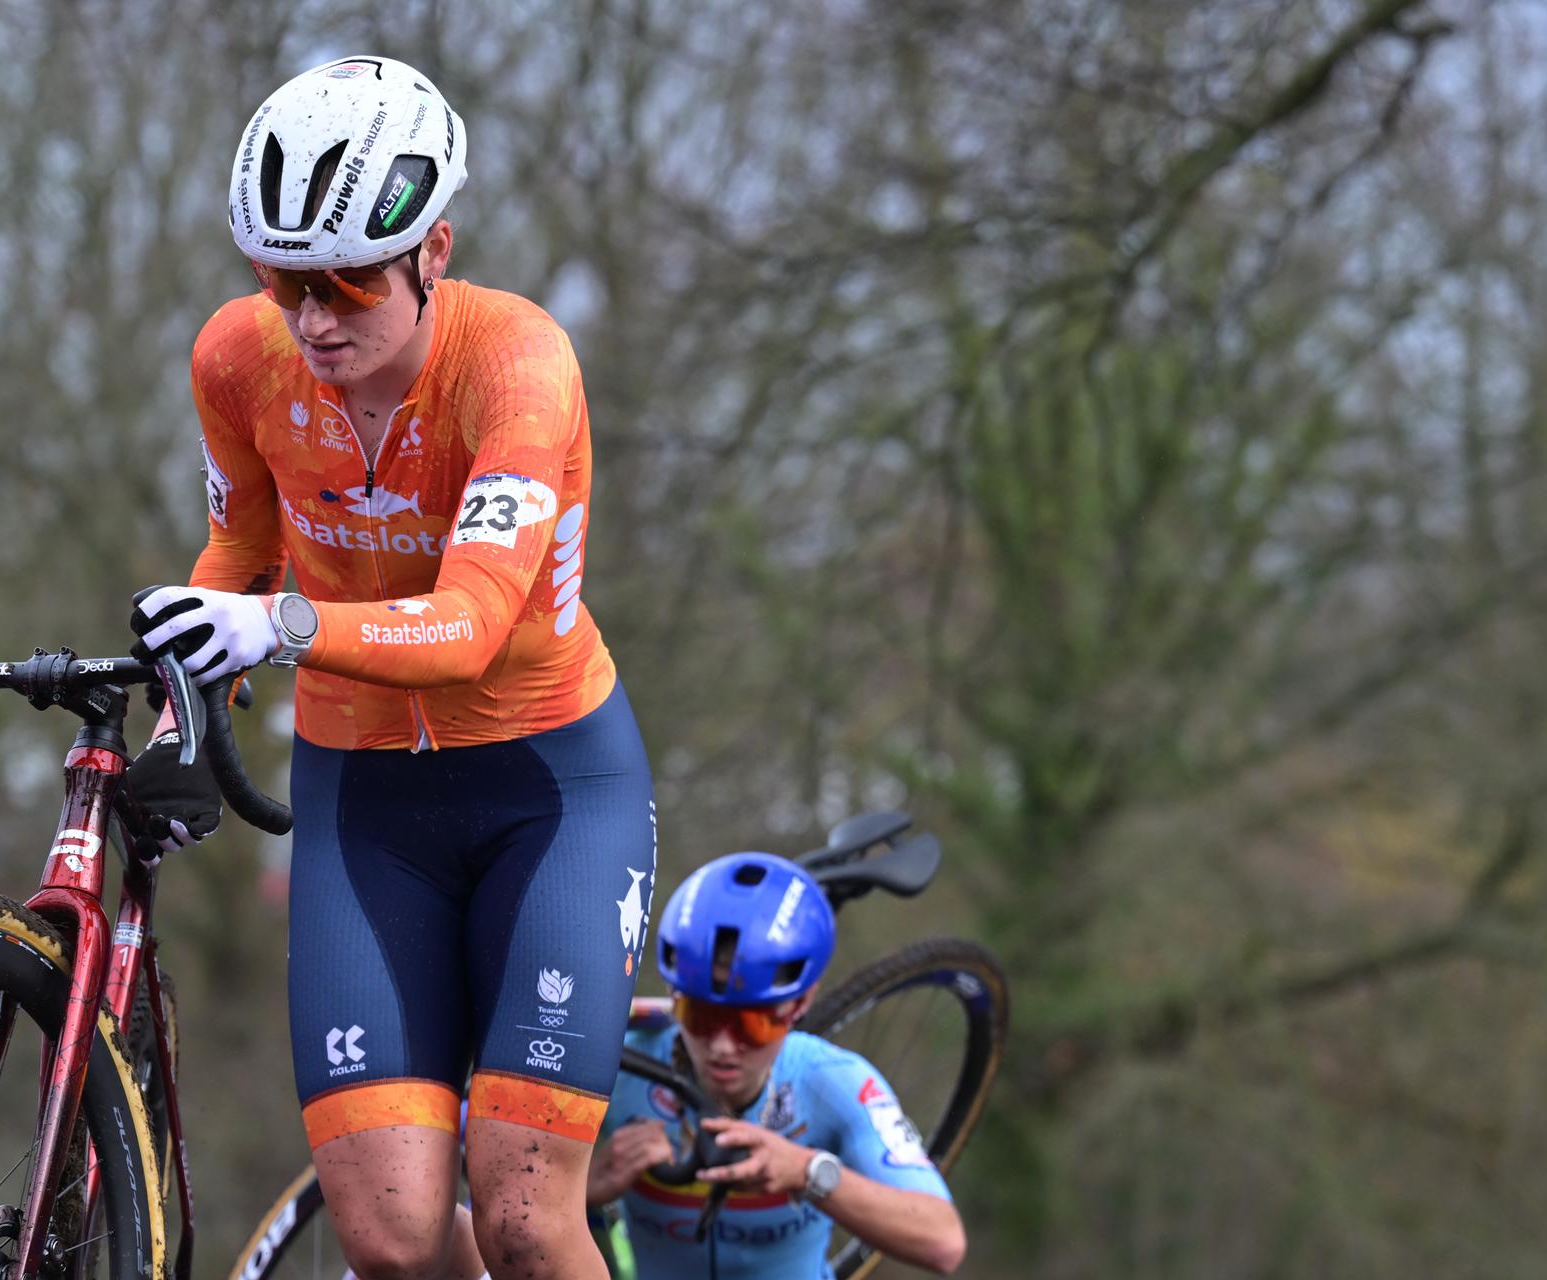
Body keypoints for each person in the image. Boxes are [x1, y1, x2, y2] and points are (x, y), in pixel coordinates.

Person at [122, 53, 657, 1280]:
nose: (314, 319)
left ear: (435, 250)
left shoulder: (517, 367)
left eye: (351, 281)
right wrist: (201, 679)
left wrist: (287, 631)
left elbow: (467, 625)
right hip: (366, 802)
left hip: (551, 789)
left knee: (523, 1219)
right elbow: (244, 547)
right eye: (285, 279)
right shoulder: (237, 361)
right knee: (391, 1236)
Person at [588, 855, 966, 1278]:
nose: (723, 1047)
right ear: (674, 995)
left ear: (800, 1005)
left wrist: (806, 1172)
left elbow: (944, 1242)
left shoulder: (831, 1081)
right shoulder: (623, 1065)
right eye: (702, 1016)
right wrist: (586, 1183)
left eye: (752, 1023)